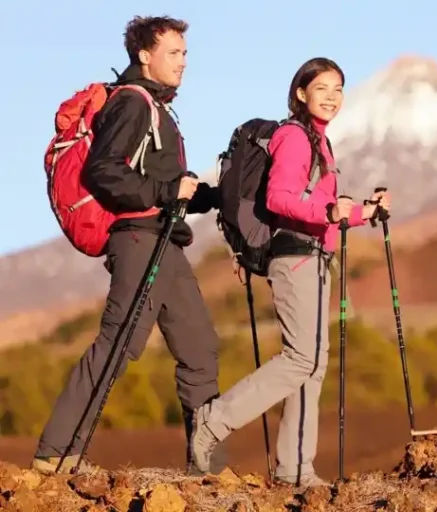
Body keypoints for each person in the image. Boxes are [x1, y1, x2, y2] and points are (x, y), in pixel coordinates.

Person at [32, 15, 226, 476]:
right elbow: (105, 171)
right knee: (119, 342)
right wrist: (166, 193)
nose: (183, 62)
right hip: (139, 240)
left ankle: (208, 467)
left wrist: (219, 194)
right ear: (145, 54)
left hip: (166, 241)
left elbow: (169, 186)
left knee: (200, 349)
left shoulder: (158, 109)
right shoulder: (132, 104)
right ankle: (55, 456)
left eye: (184, 53)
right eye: (173, 52)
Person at [188, 57, 391, 486]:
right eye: (322, 88)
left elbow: (324, 212)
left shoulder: (321, 143)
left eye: (338, 88)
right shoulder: (295, 137)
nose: (333, 96)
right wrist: (329, 209)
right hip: (295, 256)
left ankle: (295, 469)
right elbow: (281, 198)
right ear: (301, 93)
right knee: (302, 357)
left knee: (312, 365)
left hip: (316, 255)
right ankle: (213, 421)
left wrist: (364, 213)